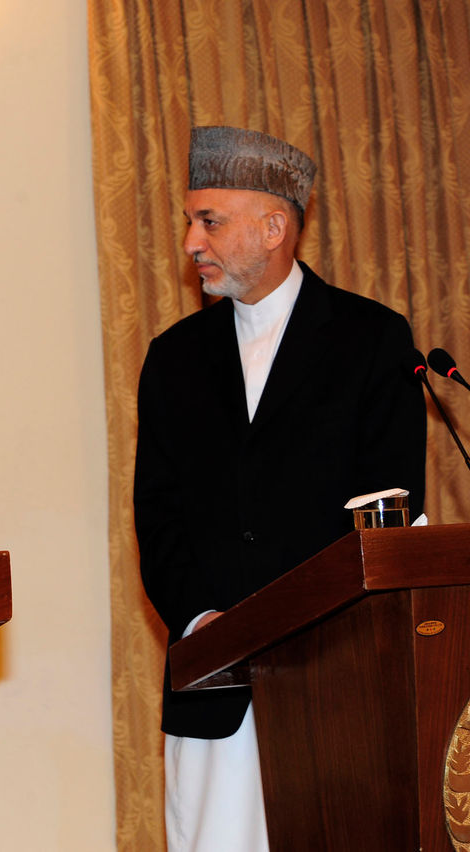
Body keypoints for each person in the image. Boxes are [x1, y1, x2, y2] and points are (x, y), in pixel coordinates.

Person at [133, 126, 426, 851]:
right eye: (189, 220)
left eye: (210, 220)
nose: (192, 241)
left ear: (274, 227)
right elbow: (157, 517)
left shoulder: (372, 340)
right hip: (215, 691)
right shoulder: (173, 360)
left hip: (337, 686)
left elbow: (388, 514)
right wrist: (207, 627)